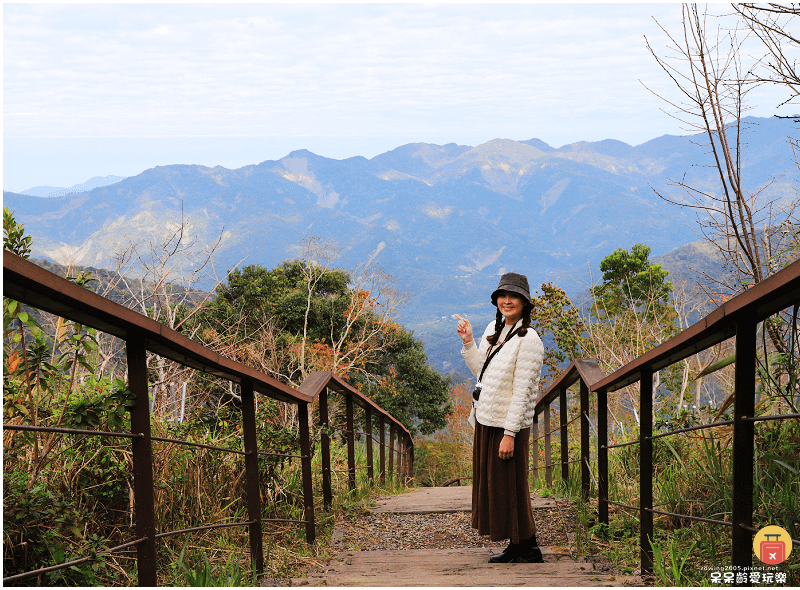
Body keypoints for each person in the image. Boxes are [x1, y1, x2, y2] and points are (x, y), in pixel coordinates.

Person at [456, 272, 544, 564]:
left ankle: (528, 547)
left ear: (524, 303)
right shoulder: (493, 332)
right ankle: (518, 546)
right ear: (497, 301)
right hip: (486, 419)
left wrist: (510, 434)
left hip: (507, 425)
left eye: (513, 297)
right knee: (499, 486)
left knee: (512, 484)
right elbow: (482, 372)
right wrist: (469, 342)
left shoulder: (528, 339)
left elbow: (522, 393)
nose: (507, 301)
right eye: (503, 296)